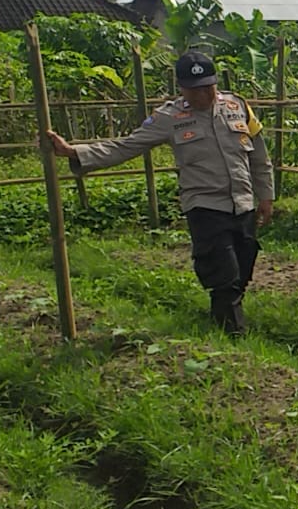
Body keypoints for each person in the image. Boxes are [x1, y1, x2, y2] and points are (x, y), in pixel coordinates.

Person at [45, 50, 274, 335]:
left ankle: (223, 317)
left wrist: (265, 196)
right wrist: (75, 152)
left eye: (208, 87)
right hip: (204, 205)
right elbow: (127, 145)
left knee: (243, 267)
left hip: (242, 203)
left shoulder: (238, 106)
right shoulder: (170, 117)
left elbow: (259, 156)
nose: (204, 95)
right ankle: (234, 335)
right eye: (196, 90)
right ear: (182, 89)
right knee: (223, 274)